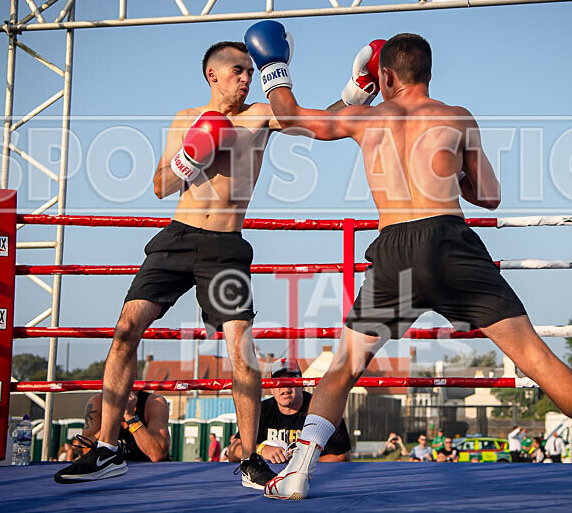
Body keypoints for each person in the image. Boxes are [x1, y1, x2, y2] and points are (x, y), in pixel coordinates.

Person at [244, 23, 572, 499]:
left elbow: (295, 119)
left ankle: (298, 472)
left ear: (383, 77)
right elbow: (488, 195)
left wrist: (276, 69)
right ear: (426, 72)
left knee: (344, 367)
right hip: (451, 241)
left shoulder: (367, 119)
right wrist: (456, 169)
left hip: (395, 251)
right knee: (534, 356)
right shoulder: (458, 117)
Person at [55, 40, 286, 489]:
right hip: (176, 238)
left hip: (225, 245)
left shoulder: (261, 116)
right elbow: (159, 185)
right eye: (238, 69)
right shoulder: (185, 119)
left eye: (250, 70)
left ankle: (251, 455)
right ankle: (106, 448)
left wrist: (358, 91)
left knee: (241, 347)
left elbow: (312, 122)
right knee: (126, 329)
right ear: (213, 75)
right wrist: (188, 157)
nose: (246, 77)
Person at [226, 359, 351, 463]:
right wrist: (261, 449)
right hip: (267, 479)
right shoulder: (261, 410)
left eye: (291, 381)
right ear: (271, 389)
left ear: (301, 384)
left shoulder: (322, 408)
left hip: (312, 478)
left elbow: (341, 457)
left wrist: (299, 464)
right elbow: (232, 450)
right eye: (278, 382)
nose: (285, 387)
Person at [70, 390, 170, 463]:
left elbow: (157, 454)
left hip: (150, 471)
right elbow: (85, 452)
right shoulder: (97, 403)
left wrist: (130, 418)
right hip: (111, 471)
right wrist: (112, 420)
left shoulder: (154, 403)